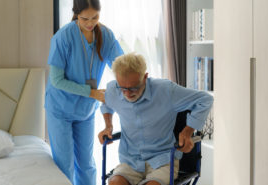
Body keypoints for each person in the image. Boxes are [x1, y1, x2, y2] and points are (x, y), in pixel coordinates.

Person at [98, 53, 213, 185]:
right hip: (130, 161)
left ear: (145, 77)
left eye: (134, 87)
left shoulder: (166, 90)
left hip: (163, 160)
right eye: (123, 88)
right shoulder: (113, 88)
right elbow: (106, 101)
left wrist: (187, 131)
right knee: (115, 182)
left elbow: (205, 100)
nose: (128, 94)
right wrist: (108, 126)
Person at [44, 0, 124, 184]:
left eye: (95, 17)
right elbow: (56, 80)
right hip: (60, 109)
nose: (90, 23)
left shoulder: (105, 35)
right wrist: (92, 93)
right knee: (65, 165)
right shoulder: (63, 37)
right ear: (76, 15)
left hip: (85, 110)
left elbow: (121, 66)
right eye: (84, 18)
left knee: (87, 164)